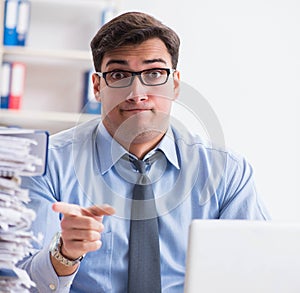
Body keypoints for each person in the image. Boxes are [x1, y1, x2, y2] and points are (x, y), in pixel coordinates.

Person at [18, 11, 270, 293]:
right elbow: (17, 284)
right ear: (98, 87)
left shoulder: (226, 172)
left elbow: (257, 275)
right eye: (119, 74)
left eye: (153, 73)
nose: (136, 93)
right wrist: (63, 254)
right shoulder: (44, 163)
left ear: (174, 84)